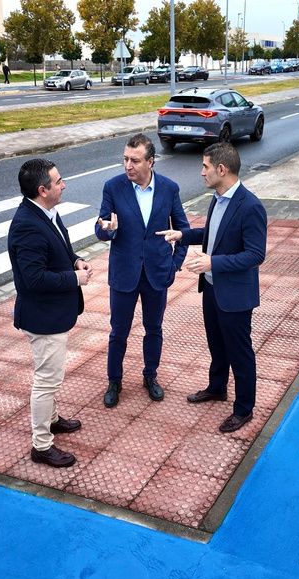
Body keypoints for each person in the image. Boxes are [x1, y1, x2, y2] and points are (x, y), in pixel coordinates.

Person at [157, 142, 267, 433]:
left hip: (235, 295)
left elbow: (256, 254)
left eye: (205, 167)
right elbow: (214, 234)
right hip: (212, 289)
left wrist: (212, 263)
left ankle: (244, 409)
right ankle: (217, 387)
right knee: (217, 346)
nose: (202, 172)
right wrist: (182, 234)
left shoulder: (251, 206)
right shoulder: (217, 199)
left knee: (240, 352)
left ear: (222, 169)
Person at [8, 158, 92, 468]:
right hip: (43, 319)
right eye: (58, 181)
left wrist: (75, 262)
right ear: (43, 190)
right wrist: (74, 279)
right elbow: (33, 278)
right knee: (46, 382)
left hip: (53, 313)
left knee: (51, 377)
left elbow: (58, 250)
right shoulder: (27, 227)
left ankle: (53, 419)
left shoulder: (45, 212)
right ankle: (41, 445)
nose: (64, 184)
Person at [95, 134, 189, 408]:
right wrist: (106, 229)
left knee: (154, 329)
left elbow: (182, 230)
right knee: (118, 332)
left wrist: (175, 264)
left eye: (134, 160)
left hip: (157, 273)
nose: (127, 166)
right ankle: (114, 381)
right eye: (125, 159)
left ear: (151, 161)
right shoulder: (113, 187)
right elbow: (100, 227)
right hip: (124, 273)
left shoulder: (169, 189)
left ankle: (150, 376)